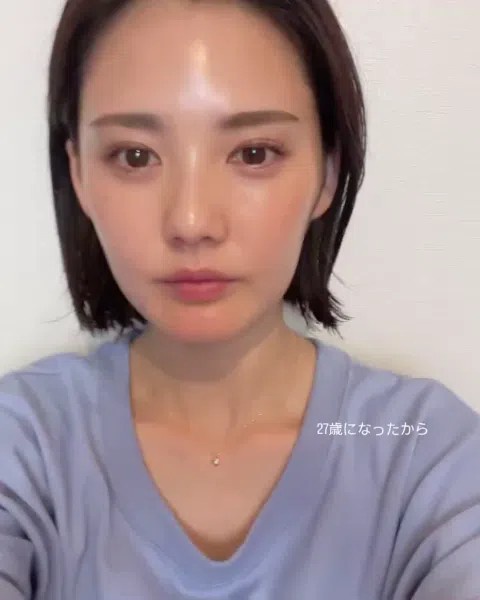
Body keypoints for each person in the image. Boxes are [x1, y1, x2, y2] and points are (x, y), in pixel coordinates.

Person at [1, 0, 479, 598]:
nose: (192, 222)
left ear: (327, 172)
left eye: (254, 153)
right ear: (78, 175)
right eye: (135, 156)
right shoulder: (24, 445)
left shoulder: (426, 456)